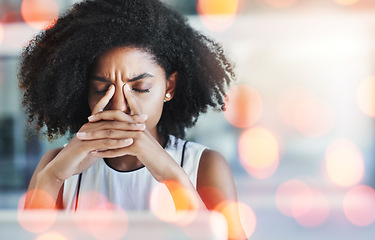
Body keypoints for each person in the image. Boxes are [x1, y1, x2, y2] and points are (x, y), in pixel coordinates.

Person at [19, 0, 246, 239]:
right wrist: (51, 178)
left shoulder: (204, 166)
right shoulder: (56, 166)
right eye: (101, 89)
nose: (119, 106)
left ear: (169, 86)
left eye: (139, 88)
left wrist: (172, 175)